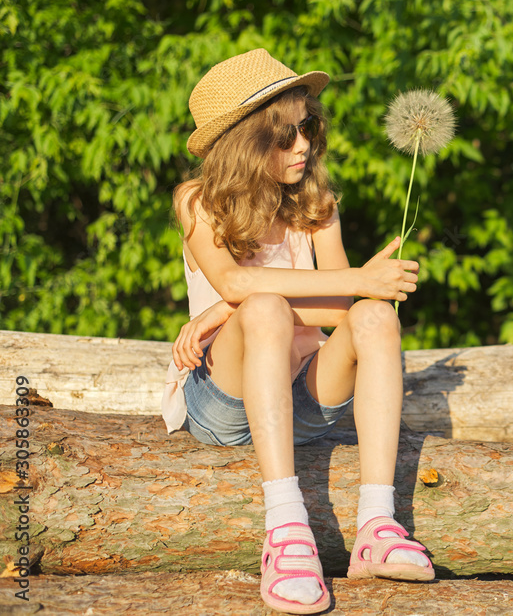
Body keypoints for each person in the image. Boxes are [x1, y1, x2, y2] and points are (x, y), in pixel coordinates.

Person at [162, 48, 433, 615]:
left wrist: (225, 309)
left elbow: (337, 311)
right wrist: (239, 306)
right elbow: (235, 281)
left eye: (307, 127)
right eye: (284, 135)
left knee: (374, 316)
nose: (303, 145)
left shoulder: (316, 204)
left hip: (304, 397)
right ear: (244, 142)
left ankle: (376, 524)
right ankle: (287, 531)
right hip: (225, 401)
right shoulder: (198, 202)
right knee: (261, 310)